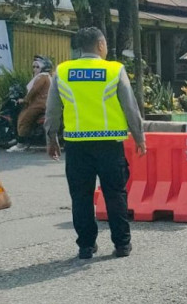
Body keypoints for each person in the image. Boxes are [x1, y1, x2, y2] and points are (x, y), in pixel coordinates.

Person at [46, 27, 146, 259]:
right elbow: (130, 108)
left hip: (77, 146)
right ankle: (122, 245)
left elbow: (52, 111)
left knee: (81, 196)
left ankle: (86, 246)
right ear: (101, 45)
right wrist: (139, 137)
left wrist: (51, 139)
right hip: (110, 145)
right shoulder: (114, 70)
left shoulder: (63, 71)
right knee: (115, 194)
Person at [8, 55, 54, 152]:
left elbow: (33, 91)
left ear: (43, 68)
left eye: (37, 67)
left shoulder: (42, 77)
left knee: (23, 118)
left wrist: (24, 100)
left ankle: (21, 144)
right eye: (33, 67)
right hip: (43, 103)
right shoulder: (46, 77)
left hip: (39, 104)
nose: (34, 69)